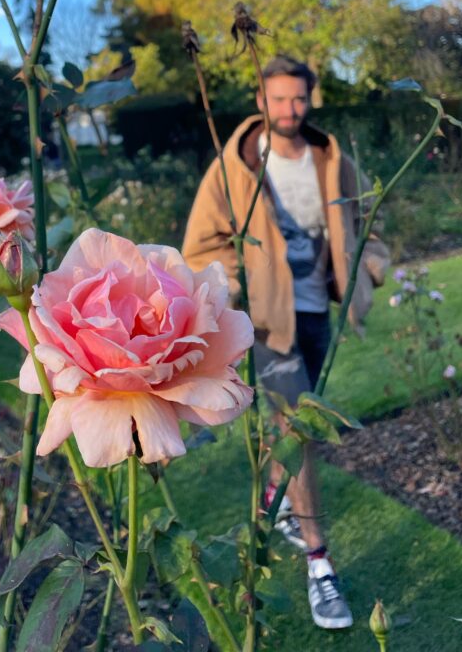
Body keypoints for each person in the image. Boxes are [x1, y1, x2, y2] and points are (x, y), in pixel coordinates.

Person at [182, 54, 389, 631]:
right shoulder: (235, 168)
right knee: (301, 430)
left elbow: (369, 223)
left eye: (298, 98)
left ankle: (275, 497)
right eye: (278, 99)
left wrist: (367, 269)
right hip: (268, 323)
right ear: (260, 100)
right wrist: (234, 283)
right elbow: (201, 244)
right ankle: (320, 563)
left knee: (286, 429)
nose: (289, 110)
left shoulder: (331, 159)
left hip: (319, 311)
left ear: (310, 99)